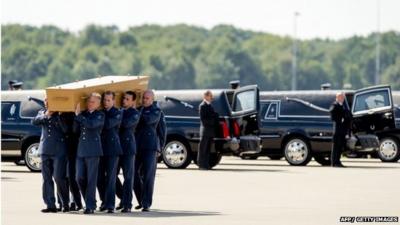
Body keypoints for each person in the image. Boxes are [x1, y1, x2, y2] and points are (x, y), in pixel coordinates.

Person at [32, 98, 70, 213]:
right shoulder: (42, 112)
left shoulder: (62, 114)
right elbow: (34, 121)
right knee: (46, 178)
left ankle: (64, 203)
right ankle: (50, 204)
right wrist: (46, 115)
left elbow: (66, 129)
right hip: (45, 150)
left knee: (59, 178)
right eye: (46, 101)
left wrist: (58, 115)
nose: (47, 103)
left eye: (49, 101)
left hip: (59, 151)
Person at [134, 90, 166, 212]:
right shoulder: (139, 109)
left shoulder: (156, 111)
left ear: (152, 99)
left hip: (150, 147)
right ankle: (141, 199)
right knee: (134, 174)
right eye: (143, 98)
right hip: (137, 146)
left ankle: (146, 203)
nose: (144, 100)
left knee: (148, 176)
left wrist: (160, 147)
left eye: (147, 98)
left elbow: (160, 129)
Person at [73, 93, 105, 214]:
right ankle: (89, 201)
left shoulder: (100, 115)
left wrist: (79, 116)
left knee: (92, 179)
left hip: (93, 150)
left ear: (98, 104)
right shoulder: (83, 114)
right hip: (81, 150)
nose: (89, 104)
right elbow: (75, 130)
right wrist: (77, 118)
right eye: (88, 101)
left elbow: (91, 125)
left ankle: (90, 205)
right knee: (79, 178)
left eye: (92, 102)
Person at [97, 91, 123, 213]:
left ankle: (110, 205)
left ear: (113, 101)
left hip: (113, 149)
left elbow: (107, 125)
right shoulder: (100, 112)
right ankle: (104, 201)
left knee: (111, 178)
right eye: (104, 100)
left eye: (108, 100)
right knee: (99, 177)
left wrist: (99, 119)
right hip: (100, 149)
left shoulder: (117, 113)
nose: (106, 103)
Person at [62, 112, 83, 211]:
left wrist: (76, 115)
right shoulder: (59, 115)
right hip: (61, 149)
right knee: (62, 177)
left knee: (72, 177)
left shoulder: (75, 115)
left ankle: (75, 202)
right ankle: (64, 203)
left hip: (73, 149)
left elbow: (73, 130)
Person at [197, 90, 219, 170]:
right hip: (205, 131)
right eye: (210, 96)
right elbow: (203, 120)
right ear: (205, 96)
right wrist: (213, 121)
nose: (212, 97)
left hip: (210, 131)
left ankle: (206, 164)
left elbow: (213, 115)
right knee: (203, 149)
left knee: (208, 149)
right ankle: (201, 165)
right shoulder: (202, 106)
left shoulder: (210, 105)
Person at [329, 92, 352, 167]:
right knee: (335, 147)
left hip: (342, 130)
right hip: (337, 130)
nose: (342, 99)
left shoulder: (343, 105)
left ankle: (338, 161)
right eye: (341, 97)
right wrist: (340, 119)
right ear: (337, 97)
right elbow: (332, 113)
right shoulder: (335, 105)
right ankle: (334, 162)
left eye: (343, 97)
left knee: (340, 147)